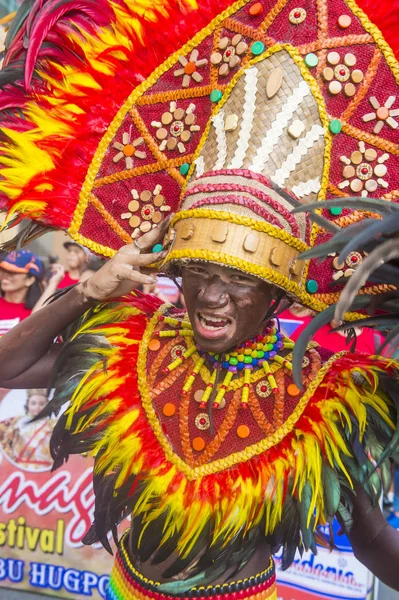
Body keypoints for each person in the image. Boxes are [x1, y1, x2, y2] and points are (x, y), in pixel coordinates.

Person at [0, 0, 399, 597]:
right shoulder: (131, 348)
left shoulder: (324, 398)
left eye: (237, 278)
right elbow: (7, 368)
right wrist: (89, 289)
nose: (210, 296)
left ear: (275, 293)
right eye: (197, 273)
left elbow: (369, 537)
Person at [0, 388, 55, 471]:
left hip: (44, 468)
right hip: (19, 466)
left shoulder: (53, 425)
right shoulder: (17, 423)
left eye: (42, 404)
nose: (37, 407)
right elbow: (7, 442)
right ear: (27, 404)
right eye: (33, 403)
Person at [0, 250, 44, 335]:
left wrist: (52, 285)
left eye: (13, 272)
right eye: (3, 270)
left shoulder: (37, 313)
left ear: (30, 280)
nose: (5, 275)